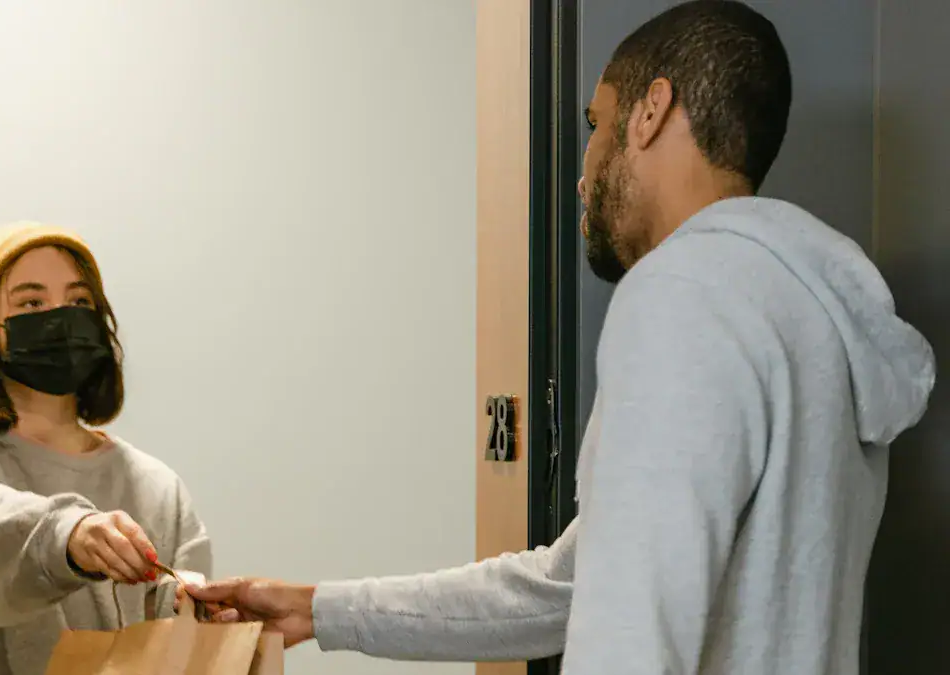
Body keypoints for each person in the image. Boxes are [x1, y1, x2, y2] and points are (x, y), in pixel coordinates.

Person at [181, 2, 936, 674]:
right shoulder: (810, 316)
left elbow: (629, 631)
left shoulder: (682, 292)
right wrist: (318, 608)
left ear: (651, 111)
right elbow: (575, 585)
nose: (583, 172)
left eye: (595, 124)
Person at [0, 222, 213, 675]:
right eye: (32, 303)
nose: (60, 319)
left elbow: (186, 655)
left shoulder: (157, 488)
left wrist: (204, 616)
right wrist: (68, 535)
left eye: (79, 302)